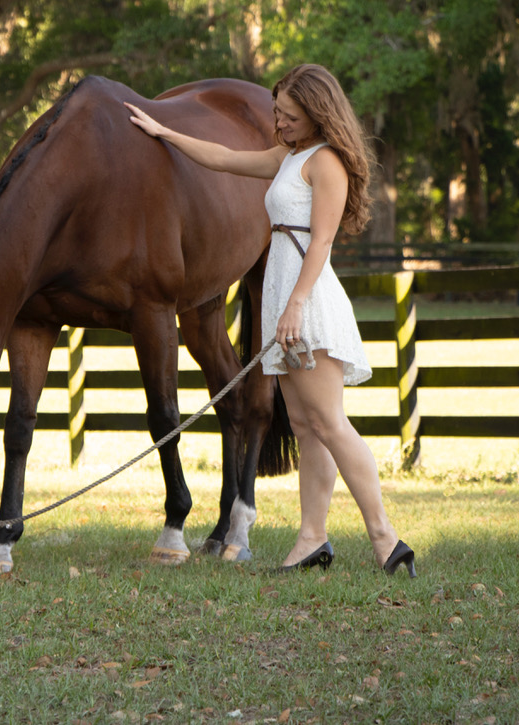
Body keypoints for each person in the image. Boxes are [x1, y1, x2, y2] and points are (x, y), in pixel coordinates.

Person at [125, 63, 416, 576]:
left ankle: (386, 539)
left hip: (308, 300)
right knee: (305, 425)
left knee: (328, 421)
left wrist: (296, 305)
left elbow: (322, 242)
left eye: (287, 116)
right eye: (277, 114)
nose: (277, 124)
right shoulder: (291, 155)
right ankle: (312, 538)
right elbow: (225, 158)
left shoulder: (326, 163)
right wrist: (164, 131)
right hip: (288, 296)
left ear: (317, 112)